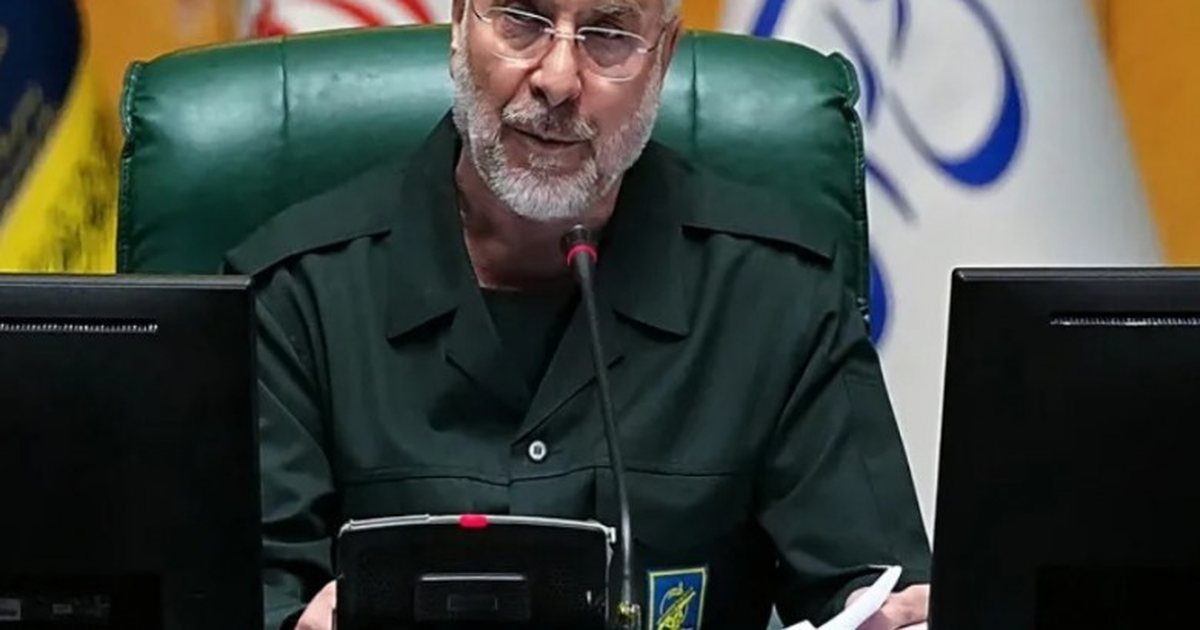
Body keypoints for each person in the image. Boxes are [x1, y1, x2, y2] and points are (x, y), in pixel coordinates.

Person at [225, 0, 932, 628]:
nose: (558, 80)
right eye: (522, 20)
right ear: (460, 23)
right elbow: (239, 594)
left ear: (663, 59)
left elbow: (872, 586)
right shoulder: (292, 296)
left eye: (609, 34)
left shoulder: (777, 292)